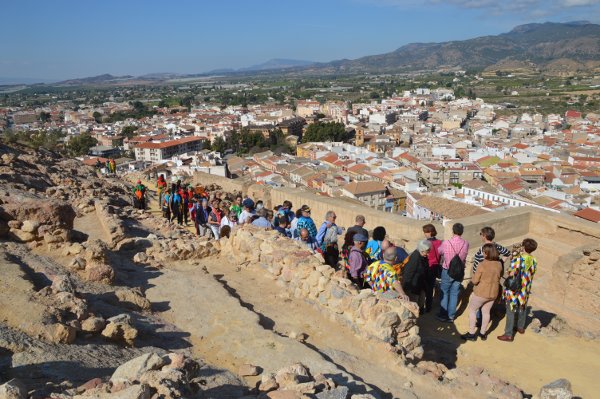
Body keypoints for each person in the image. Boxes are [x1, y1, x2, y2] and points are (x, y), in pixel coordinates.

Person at [498, 238, 538, 342]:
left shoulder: (518, 259)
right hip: (525, 288)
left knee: (510, 310)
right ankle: (520, 327)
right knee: (522, 307)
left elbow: (511, 273)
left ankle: (508, 334)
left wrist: (508, 269)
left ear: (524, 247)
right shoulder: (534, 260)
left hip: (514, 289)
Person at [461, 243, 503, 341]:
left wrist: (473, 279)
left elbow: (475, 281)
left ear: (487, 253)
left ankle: (471, 333)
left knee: (472, 310)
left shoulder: (482, 264)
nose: (483, 254)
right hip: (493, 293)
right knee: (486, 312)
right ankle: (482, 333)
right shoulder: (499, 264)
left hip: (481, 292)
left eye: (484, 252)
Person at [438, 223, 469, 323]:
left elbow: (440, 252)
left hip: (447, 270)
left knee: (445, 292)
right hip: (459, 271)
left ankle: (443, 315)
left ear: (453, 231)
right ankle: (451, 316)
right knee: (454, 294)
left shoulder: (446, 243)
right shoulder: (466, 243)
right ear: (462, 232)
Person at [401, 240, 431, 308]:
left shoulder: (422, 256)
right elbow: (408, 273)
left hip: (420, 285)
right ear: (422, 250)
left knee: (420, 304)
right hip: (413, 287)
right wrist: (406, 288)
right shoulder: (415, 258)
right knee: (414, 306)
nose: (428, 254)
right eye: (427, 252)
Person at [422, 224, 442, 313]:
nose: (424, 234)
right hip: (435, 267)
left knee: (423, 288)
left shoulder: (426, 243)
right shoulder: (439, 242)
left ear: (430, 232)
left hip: (427, 267)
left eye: (425, 232)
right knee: (430, 289)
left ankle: (422, 306)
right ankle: (429, 307)